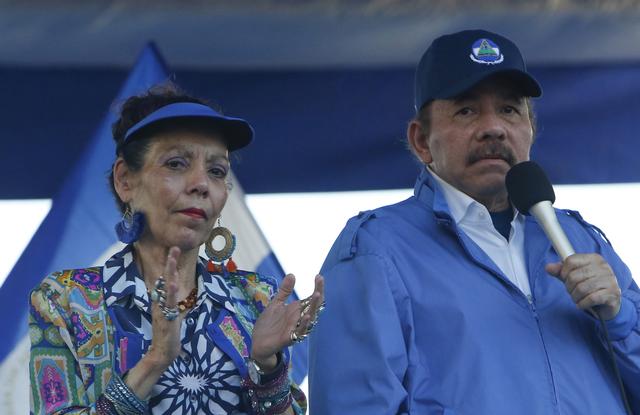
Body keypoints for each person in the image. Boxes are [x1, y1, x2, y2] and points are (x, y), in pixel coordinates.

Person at [309, 29, 640, 414]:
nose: (493, 127)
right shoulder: (374, 249)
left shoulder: (582, 240)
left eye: (509, 110)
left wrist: (620, 319)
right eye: (466, 110)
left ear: (530, 130)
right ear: (421, 141)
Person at [28, 83, 324, 415]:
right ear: (125, 180)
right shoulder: (65, 300)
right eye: (176, 164)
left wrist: (268, 366)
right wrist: (155, 360)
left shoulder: (256, 298)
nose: (201, 184)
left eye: (216, 171)